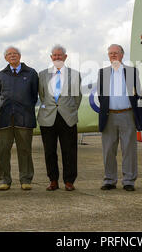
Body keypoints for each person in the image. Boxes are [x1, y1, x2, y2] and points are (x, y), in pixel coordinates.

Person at [97, 44, 142, 191]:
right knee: (108, 150)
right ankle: (109, 180)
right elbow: (101, 95)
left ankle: (129, 180)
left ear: (122, 55)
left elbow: (138, 94)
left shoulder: (132, 72)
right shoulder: (102, 73)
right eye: (110, 53)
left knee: (129, 149)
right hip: (109, 116)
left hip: (127, 114)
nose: (113, 55)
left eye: (116, 53)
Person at [38, 45, 82, 191]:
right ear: (51, 57)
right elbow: (42, 96)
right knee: (49, 151)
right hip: (48, 117)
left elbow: (77, 98)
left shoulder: (74, 74)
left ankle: (69, 181)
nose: (57, 57)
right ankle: (53, 180)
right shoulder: (43, 74)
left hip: (67, 117)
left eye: (60, 55)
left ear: (65, 57)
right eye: (54, 55)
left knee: (69, 151)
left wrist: (69, 110)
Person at [0, 46, 38, 191]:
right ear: (5, 58)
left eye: (15, 54)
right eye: (9, 54)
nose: (12, 56)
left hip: (24, 118)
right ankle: (4, 180)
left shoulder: (31, 73)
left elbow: (34, 96)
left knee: (25, 150)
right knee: (3, 151)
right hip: (4, 118)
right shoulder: (1, 75)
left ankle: (26, 179)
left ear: (20, 56)